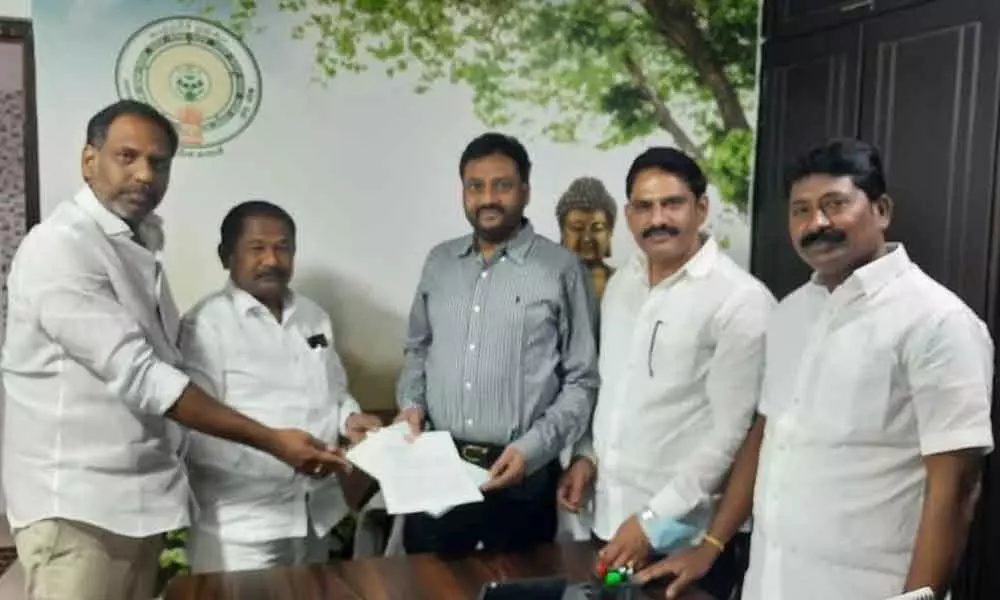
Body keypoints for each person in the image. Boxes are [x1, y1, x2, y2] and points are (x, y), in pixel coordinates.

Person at [0, 100, 347, 600]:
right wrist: (273, 441)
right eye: (127, 156)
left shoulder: (138, 246)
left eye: (158, 163)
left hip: (141, 504)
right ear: (88, 160)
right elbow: (143, 374)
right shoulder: (61, 247)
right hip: (78, 507)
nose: (144, 174)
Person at [636, 139, 994, 600]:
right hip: (770, 579)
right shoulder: (790, 314)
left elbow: (958, 488)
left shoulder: (938, 322)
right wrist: (711, 545)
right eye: (801, 210)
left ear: (881, 209)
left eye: (834, 205)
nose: (816, 223)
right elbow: (767, 435)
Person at [556, 148, 773, 599]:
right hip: (611, 528)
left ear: (701, 208)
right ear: (630, 214)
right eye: (645, 206)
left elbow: (730, 435)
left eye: (672, 203)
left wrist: (652, 522)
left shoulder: (740, 302)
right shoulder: (623, 284)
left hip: (682, 544)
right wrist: (587, 457)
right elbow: (613, 390)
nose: (659, 219)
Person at [395, 132, 600, 555]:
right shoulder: (439, 262)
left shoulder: (561, 269)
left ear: (525, 191)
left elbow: (582, 379)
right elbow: (418, 349)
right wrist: (411, 405)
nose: (488, 198)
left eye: (502, 185)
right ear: (464, 191)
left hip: (521, 476)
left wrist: (533, 449)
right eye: (476, 186)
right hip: (437, 474)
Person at [179, 200, 383, 572]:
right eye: (257, 248)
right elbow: (194, 432)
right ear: (227, 256)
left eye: (283, 247)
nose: (271, 259)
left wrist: (350, 420)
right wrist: (283, 456)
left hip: (315, 518)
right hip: (242, 529)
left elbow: (335, 393)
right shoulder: (205, 325)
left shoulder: (312, 316)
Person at [555, 176, 618, 301]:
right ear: (562, 232)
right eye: (577, 228)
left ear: (609, 232)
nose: (587, 238)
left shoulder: (625, 283)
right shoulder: (544, 283)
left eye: (597, 228)